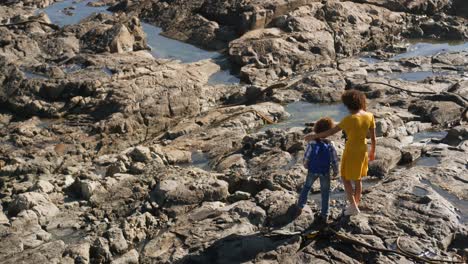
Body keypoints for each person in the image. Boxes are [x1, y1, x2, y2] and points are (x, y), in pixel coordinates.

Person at [304, 90, 376, 216]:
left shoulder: (348, 119)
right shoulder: (369, 116)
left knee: (346, 178)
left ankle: (353, 206)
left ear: (348, 105)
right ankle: (355, 204)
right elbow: (373, 137)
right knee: (358, 179)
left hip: (351, 151)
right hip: (363, 150)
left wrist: (313, 136)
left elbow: (329, 133)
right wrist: (372, 152)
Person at [297, 117, 339, 222]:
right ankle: (325, 214)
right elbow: (334, 159)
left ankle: (300, 206)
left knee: (306, 187)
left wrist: (306, 164)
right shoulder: (330, 144)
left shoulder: (312, 142)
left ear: (316, 129)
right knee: (325, 192)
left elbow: (307, 156)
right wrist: (335, 170)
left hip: (313, 170)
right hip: (325, 171)